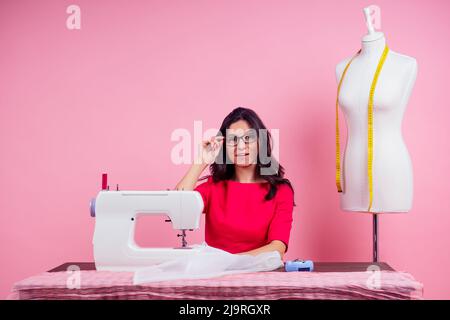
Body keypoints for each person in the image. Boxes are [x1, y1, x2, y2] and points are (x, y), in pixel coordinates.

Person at [175, 107, 295, 258]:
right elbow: (178, 206)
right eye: (233, 140)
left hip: (258, 275)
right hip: (216, 276)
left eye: (247, 138)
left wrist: (231, 263)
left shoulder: (281, 190)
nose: (240, 146)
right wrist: (201, 161)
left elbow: (278, 247)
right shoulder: (213, 187)